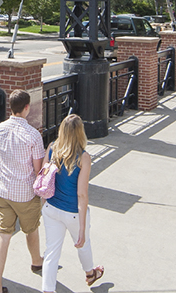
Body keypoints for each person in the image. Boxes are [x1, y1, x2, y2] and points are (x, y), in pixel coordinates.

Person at [40, 114, 102, 292]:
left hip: (51, 207)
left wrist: (44, 204)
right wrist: (82, 226)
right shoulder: (84, 158)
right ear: (80, 133)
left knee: (51, 252)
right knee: (83, 243)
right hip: (72, 211)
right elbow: (82, 194)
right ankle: (90, 273)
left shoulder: (52, 148)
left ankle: (47, 289)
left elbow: (44, 177)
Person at [0, 89, 45, 293]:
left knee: (3, 235)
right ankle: (36, 261)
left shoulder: (0, 129)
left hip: (3, 190)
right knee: (31, 229)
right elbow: (37, 169)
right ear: (26, 108)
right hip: (24, 193)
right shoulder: (33, 135)